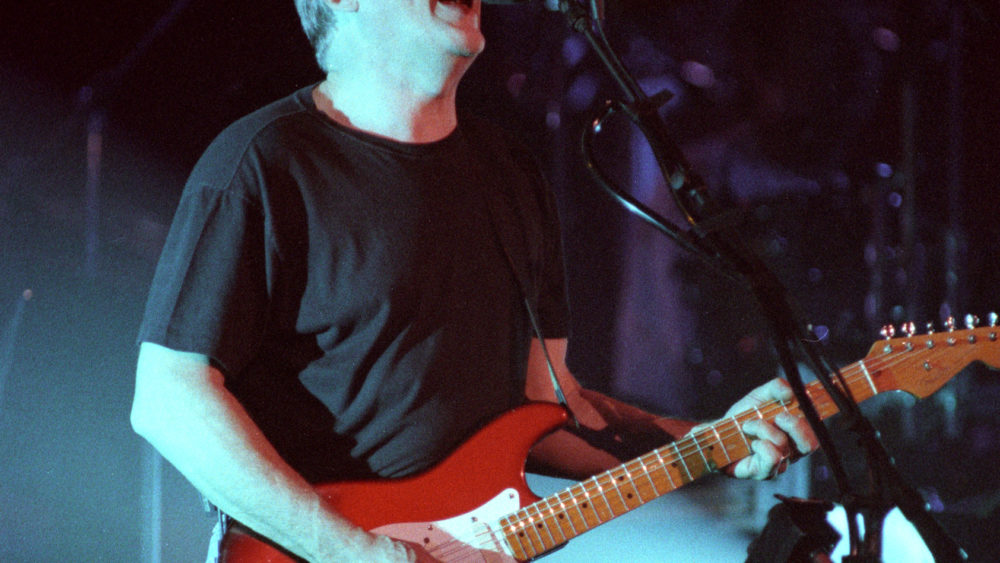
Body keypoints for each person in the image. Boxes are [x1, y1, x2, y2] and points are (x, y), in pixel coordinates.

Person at [129, 0, 818, 561]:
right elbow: (167, 398)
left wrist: (712, 440)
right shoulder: (266, 163)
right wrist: (354, 552)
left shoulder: (510, 174)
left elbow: (548, 407)